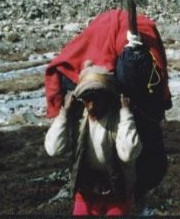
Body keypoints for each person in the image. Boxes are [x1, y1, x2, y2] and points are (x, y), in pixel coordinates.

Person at [45, 62, 143, 216]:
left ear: (107, 97)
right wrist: (64, 113)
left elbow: (128, 153)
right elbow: (53, 149)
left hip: (118, 187)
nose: (90, 105)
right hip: (86, 186)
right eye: (86, 98)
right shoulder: (77, 118)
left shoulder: (119, 118)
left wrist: (126, 114)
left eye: (96, 98)